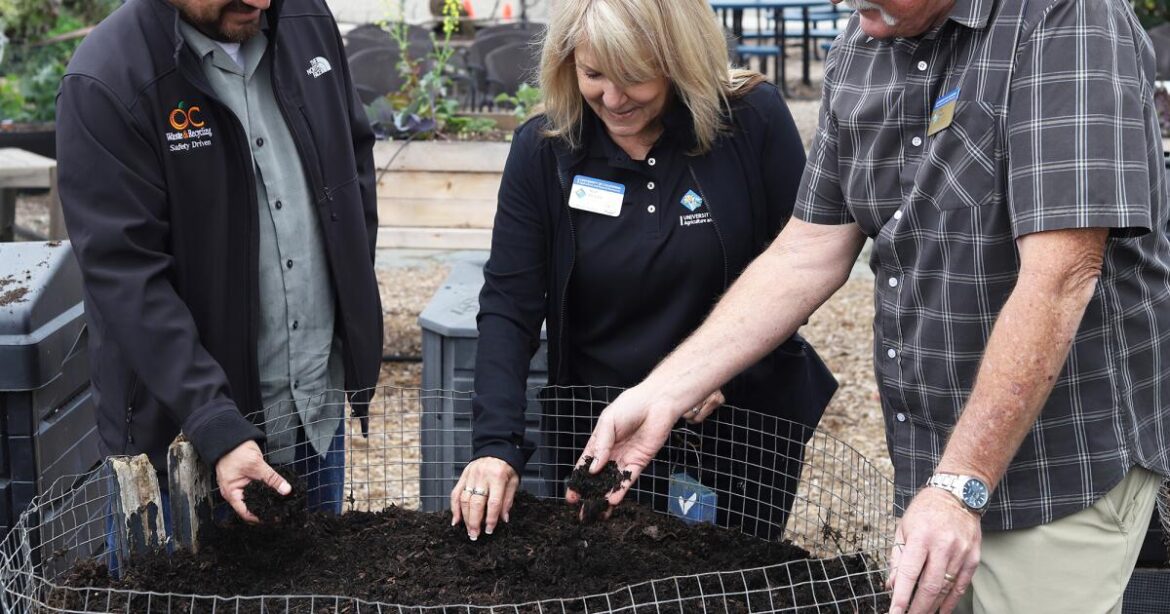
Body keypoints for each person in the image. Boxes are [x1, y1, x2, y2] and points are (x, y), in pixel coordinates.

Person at [576, 0, 1170, 612]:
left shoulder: (1066, 20)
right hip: (932, 467)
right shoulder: (861, 46)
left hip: (1059, 461)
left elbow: (1062, 275)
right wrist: (663, 392)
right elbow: (807, 251)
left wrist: (958, 486)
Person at [449, 0, 838, 543]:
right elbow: (509, 306)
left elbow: (801, 264)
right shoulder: (545, 151)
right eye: (593, 74)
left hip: (735, 427)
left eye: (633, 77)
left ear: (679, 59)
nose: (612, 98)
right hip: (602, 433)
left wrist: (717, 372)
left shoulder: (750, 120)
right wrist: (495, 446)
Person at [56, 0, 382, 523]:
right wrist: (214, 421)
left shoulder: (306, 21)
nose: (260, 2)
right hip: (190, 448)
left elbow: (352, 169)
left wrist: (351, 311)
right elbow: (126, 276)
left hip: (313, 417)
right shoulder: (107, 79)